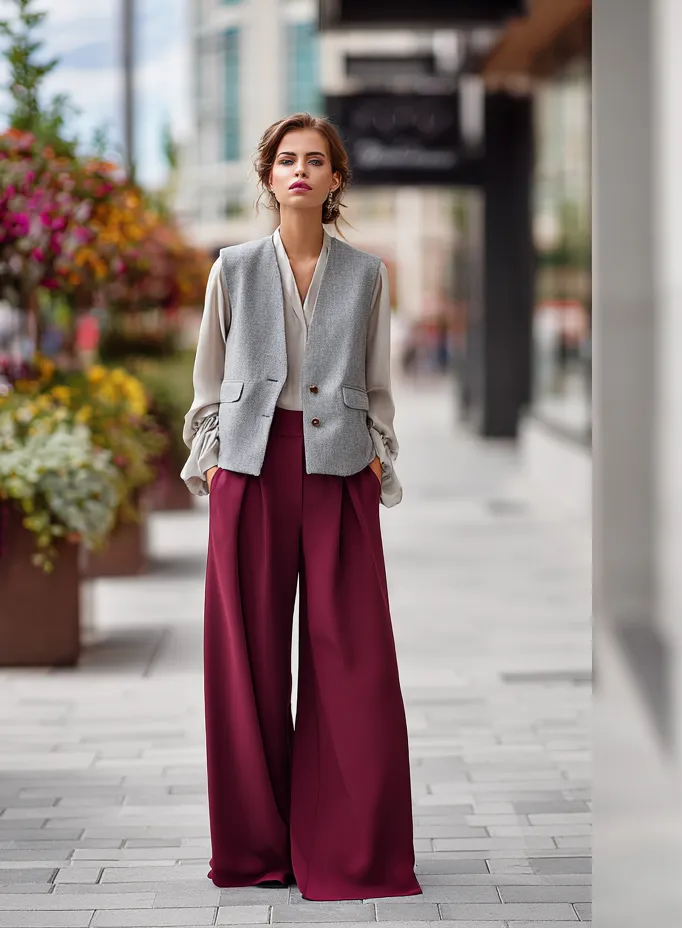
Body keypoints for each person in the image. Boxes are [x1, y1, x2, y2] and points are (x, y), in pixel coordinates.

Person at [180, 113, 421, 902]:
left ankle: (351, 848)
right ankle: (256, 850)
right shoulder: (233, 268)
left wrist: (379, 451)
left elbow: (378, 378)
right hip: (249, 471)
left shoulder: (368, 273)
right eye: (287, 160)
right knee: (246, 665)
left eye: (316, 161)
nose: (301, 172)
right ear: (267, 176)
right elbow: (208, 384)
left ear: (336, 178)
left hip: (339, 469)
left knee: (351, 662)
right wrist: (214, 464)